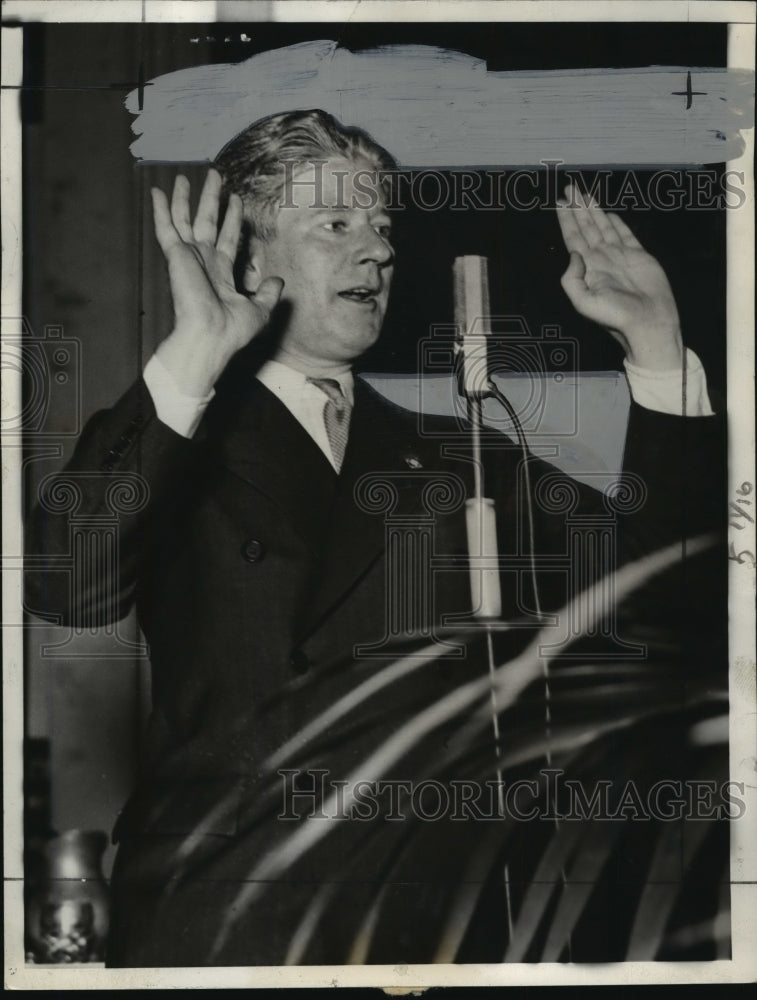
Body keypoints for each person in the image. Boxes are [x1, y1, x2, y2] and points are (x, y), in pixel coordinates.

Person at [25, 110, 724, 966]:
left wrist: (655, 347)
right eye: (336, 224)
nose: (380, 250)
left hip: (434, 923)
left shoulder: (461, 452)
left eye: (383, 225)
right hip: (223, 917)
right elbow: (70, 582)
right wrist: (193, 356)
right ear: (249, 256)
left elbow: (665, 597)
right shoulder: (175, 432)